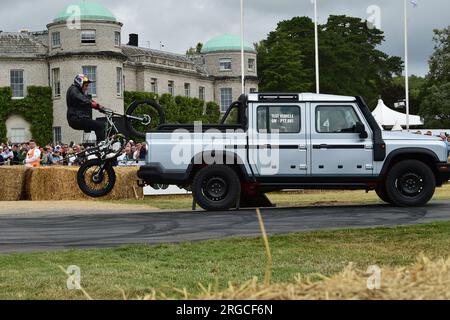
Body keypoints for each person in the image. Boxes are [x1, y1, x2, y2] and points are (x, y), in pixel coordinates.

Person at [67, 74, 106, 144]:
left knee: (104, 125)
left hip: (80, 118)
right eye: (86, 86)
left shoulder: (80, 93)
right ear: (80, 84)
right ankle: (101, 145)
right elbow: (82, 99)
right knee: (100, 126)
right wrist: (96, 105)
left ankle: (105, 143)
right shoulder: (73, 90)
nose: (87, 88)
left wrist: (102, 108)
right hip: (76, 118)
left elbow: (89, 101)